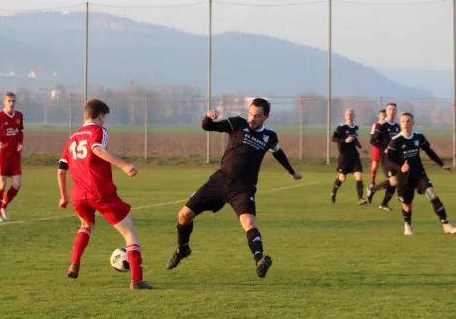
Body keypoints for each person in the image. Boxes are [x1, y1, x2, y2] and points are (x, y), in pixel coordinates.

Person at [165, 98, 302, 278]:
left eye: (257, 116)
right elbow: (208, 127)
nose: (252, 119)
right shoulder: (237, 124)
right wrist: (208, 117)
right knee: (183, 216)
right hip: (219, 181)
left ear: (266, 116)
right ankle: (183, 249)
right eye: (251, 114)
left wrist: (291, 171)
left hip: (243, 188)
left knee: (248, 222)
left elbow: (278, 153)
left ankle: (259, 259)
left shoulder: (270, 136)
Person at [57, 98, 153, 290]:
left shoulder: (72, 139)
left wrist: (63, 196)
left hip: (78, 194)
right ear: (100, 116)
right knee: (130, 233)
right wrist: (124, 165)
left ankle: (75, 263)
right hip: (99, 191)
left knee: (86, 225)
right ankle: (137, 280)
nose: (104, 121)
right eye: (104, 118)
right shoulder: (98, 131)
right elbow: (97, 149)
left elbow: (61, 169)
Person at [385, 112, 456, 236]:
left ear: (413, 123)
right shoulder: (395, 140)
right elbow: (388, 160)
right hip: (404, 178)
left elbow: (429, 151)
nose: (405, 124)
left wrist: (442, 164)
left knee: (433, 195)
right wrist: (400, 167)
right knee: (407, 206)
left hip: (419, 174)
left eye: (408, 121)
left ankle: (446, 225)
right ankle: (408, 225)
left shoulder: (418, 137)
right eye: (403, 121)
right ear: (400, 123)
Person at [0, 92, 24, 222]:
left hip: (14, 154)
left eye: (13, 101)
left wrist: (21, 143)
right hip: (2, 154)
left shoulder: (19, 116)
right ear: (4, 102)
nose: (11, 103)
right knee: (1, 184)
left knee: (17, 184)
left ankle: (4, 205)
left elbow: (20, 132)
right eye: (9, 101)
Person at [330, 108, 368, 205]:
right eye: (348, 114)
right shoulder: (341, 127)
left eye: (351, 114)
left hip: (354, 156)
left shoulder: (355, 127)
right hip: (344, 156)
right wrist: (344, 140)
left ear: (354, 116)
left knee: (359, 175)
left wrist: (361, 148)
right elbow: (334, 139)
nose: (349, 116)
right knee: (342, 178)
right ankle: (333, 192)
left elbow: (355, 139)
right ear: (345, 116)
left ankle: (360, 199)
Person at [367, 103, 400, 210]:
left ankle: (383, 203)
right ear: (386, 111)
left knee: (395, 182)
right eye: (390, 109)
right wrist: (383, 149)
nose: (392, 111)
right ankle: (372, 190)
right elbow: (372, 141)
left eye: (394, 109)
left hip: (395, 158)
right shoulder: (382, 125)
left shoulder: (396, 126)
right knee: (393, 181)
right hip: (385, 158)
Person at [369, 109, 386, 185]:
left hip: (387, 148)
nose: (383, 117)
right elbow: (372, 138)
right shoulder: (375, 125)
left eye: (384, 115)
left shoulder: (388, 124)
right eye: (381, 115)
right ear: (378, 116)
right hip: (377, 147)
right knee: (375, 165)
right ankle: (372, 181)